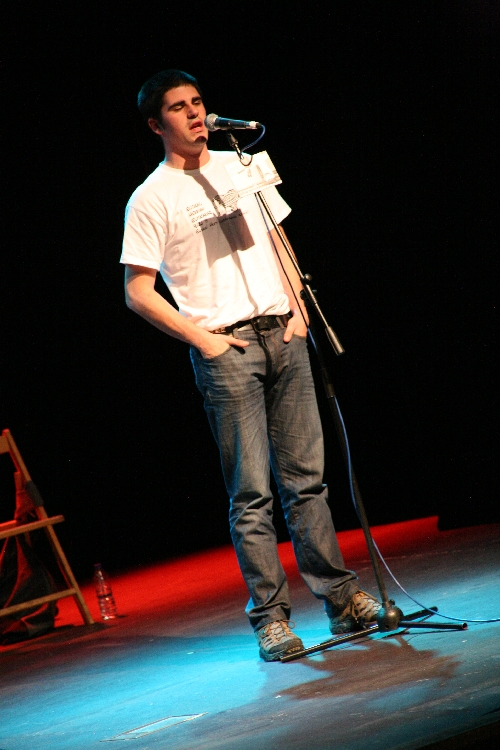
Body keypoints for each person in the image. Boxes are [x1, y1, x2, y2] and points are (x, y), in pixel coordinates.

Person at [120, 69, 381, 661]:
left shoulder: (243, 164)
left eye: (198, 102)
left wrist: (298, 311)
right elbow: (137, 291)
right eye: (179, 108)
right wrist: (203, 341)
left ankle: (343, 602)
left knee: (307, 482)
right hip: (228, 350)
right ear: (156, 125)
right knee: (252, 494)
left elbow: (280, 242)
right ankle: (271, 620)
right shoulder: (151, 197)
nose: (195, 114)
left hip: (282, 333)